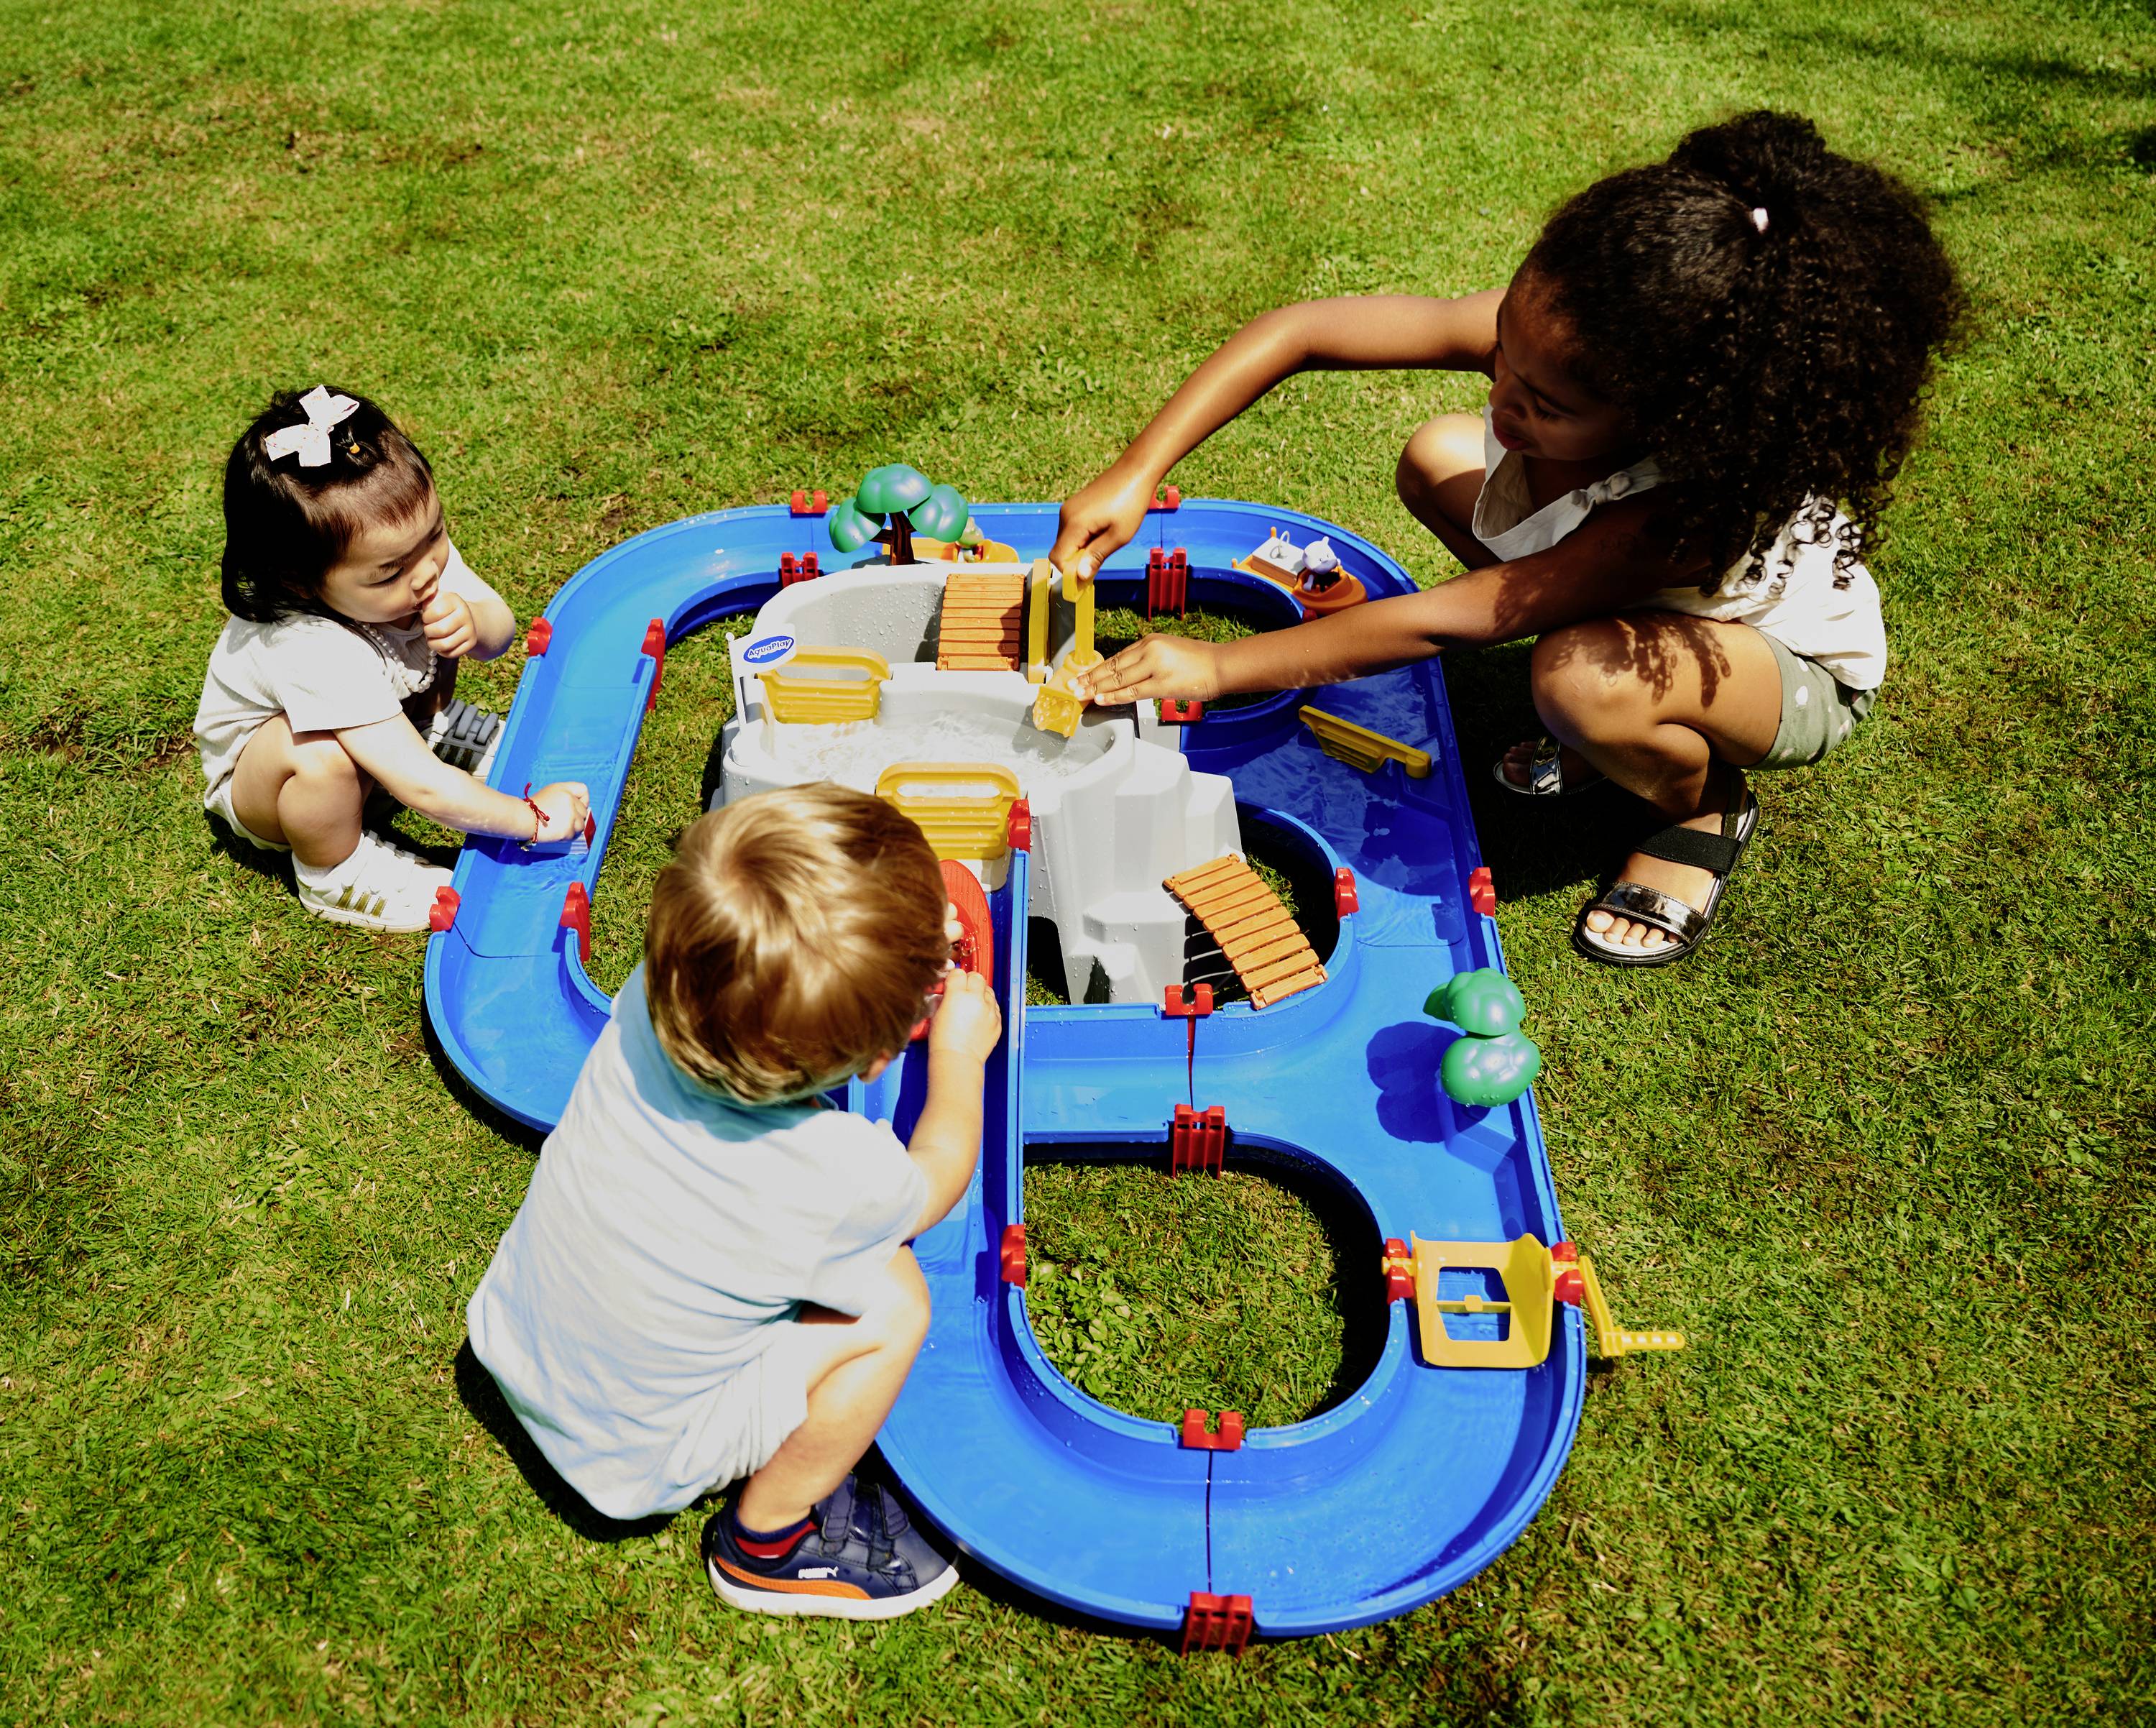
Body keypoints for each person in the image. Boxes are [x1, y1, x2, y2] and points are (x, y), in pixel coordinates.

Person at [1052, 111, 1961, 966]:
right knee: (1436, 456)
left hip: (1785, 669)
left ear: (1671, 419)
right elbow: (1302, 333)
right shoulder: (1569, 335)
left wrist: (1217, 670)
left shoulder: (1677, 513)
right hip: (1642, 601)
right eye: (1501, 359)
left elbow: (1458, 620)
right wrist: (1136, 471)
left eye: (1545, 403)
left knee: (1577, 678)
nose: (1501, 399)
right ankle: (1612, 695)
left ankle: (1704, 807)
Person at [466, 785, 1003, 1619]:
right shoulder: (833, 1174)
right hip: (636, 1458)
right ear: (879, 1053)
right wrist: (961, 1057)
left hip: (513, 1342)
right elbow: (936, 1177)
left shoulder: (656, 996)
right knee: (894, 1302)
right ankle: (769, 1541)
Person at [193, 385, 590, 930]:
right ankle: (334, 873)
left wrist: (473, 623)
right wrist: (533, 820)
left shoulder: (407, 553)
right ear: (300, 582)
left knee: (436, 617)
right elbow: (422, 789)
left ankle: (425, 729)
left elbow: (499, 635)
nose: (426, 569)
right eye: (390, 572)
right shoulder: (308, 647)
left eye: (436, 534)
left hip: (381, 726)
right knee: (322, 756)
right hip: (275, 789)